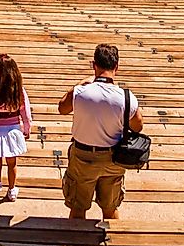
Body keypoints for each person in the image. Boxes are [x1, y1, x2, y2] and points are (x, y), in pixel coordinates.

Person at [58, 44, 144, 221]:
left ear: (93, 65)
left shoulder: (80, 92)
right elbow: (138, 126)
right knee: (110, 209)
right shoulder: (126, 97)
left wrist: (81, 83)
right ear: (116, 67)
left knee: (78, 208)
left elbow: (62, 108)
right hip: (114, 158)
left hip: (82, 157)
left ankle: (75, 243)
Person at [0, 54, 32, 202]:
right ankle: (12, 189)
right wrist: (26, 129)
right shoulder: (19, 91)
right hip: (13, 130)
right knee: (12, 162)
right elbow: (26, 113)